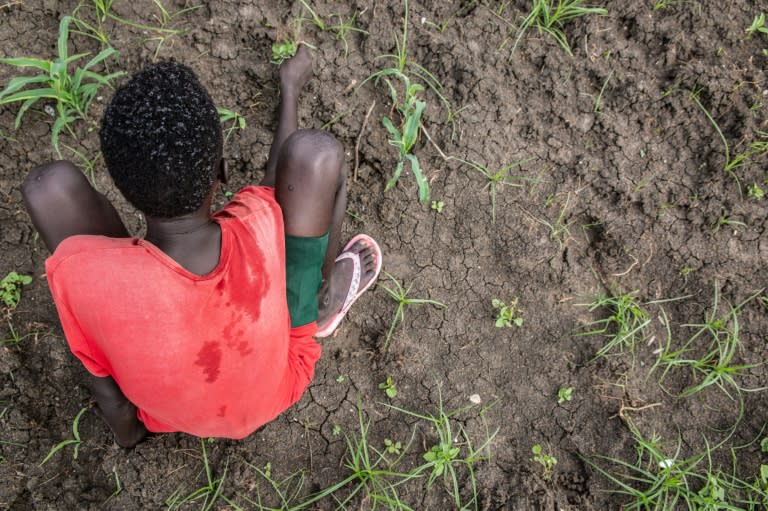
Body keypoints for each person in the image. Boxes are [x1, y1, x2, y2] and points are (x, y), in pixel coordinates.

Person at [21, 45, 382, 447]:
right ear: (224, 171)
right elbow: (280, 175)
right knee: (318, 152)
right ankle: (319, 301)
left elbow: (104, 384)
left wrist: (129, 433)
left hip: (167, 414)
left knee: (46, 187)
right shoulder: (259, 226)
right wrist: (290, 89)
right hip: (278, 382)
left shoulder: (78, 280)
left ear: (124, 193)